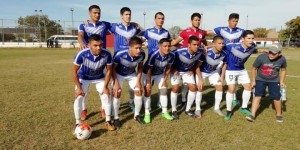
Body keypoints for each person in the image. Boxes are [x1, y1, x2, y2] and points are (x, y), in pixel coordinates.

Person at [72, 34, 115, 131]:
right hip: (84, 77)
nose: (99, 47)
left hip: (99, 78)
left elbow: (109, 70)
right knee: (79, 97)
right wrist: (79, 88)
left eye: (100, 45)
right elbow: (74, 71)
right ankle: (78, 123)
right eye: (95, 45)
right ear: (89, 45)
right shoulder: (82, 54)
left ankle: (108, 121)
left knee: (106, 95)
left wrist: (106, 86)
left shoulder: (107, 54)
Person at [207, 13, 244, 107]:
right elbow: (206, 33)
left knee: (233, 79)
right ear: (228, 20)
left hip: (233, 58)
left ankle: (234, 98)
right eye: (233, 21)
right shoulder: (221, 29)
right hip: (221, 57)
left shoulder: (241, 31)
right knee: (219, 77)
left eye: (236, 21)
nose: (235, 23)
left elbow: (247, 38)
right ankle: (219, 94)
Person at [171, 12, 207, 107]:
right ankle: (183, 100)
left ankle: (187, 100)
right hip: (184, 58)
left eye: (199, 20)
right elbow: (174, 42)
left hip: (194, 60)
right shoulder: (185, 31)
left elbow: (204, 43)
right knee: (184, 83)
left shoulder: (201, 33)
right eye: (196, 20)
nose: (198, 22)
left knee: (189, 83)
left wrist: (206, 47)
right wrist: (179, 46)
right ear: (191, 21)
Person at [246, 43, 287, 122]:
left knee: (276, 98)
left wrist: (282, 81)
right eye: (270, 52)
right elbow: (254, 68)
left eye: (274, 53)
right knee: (257, 96)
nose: (271, 54)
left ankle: (279, 114)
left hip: (274, 81)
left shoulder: (282, 59)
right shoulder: (261, 57)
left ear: (279, 53)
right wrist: (253, 80)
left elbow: (284, 70)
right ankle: (252, 115)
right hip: (260, 79)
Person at [112, 36, 145, 128]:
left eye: (140, 48)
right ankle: (116, 117)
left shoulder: (142, 54)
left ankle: (137, 115)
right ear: (130, 47)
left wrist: (138, 81)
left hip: (131, 74)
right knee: (117, 92)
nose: (139, 50)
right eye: (136, 48)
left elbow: (140, 67)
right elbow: (112, 69)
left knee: (138, 91)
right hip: (118, 74)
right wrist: (116, 83)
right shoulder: (119, 54)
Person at [223, 30, 256, 120]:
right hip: (230, 70)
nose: (251, 40)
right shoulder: (232, 46)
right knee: (232, 88)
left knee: (248, 87)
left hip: (242, 69)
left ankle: (244, 107)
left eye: (252, 38)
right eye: (248, 38)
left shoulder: (253, 46)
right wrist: (204, 47)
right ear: (242, 39)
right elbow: (219, 45)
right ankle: (229, 111)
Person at [170, 36, 203, 120]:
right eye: (194, 45)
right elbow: (168, 62)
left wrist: (192, 69)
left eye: (198, 45)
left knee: (193, 87)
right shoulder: (178, 52)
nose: (196, 46)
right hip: (176, 71)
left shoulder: (200, 51)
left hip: (187, 71)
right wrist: (173, 70)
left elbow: (196, 63)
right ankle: (174, 110)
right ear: (189, 45)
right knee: (175, 88)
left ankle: (188, 109)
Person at [142, 38, 174, 123]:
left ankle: (164, 112)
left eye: (169, 46)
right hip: (147, 73)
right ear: (160, 46)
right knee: (148, 91)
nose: (167, 48)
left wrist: (165, 80)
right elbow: (149, 70)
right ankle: (147, 113)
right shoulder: (154, 55)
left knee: (164, 91)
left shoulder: (171, 55)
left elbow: (168, 68)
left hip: (159, 74)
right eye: (165, 46)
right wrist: (148, 83)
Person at [195, 36, 227, 118]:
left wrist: (222, 76)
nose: (221, 45)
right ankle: (197, 109)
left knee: (220, 87)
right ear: (214, 44)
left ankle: (216, 108)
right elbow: (197, 66)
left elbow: (225, 64)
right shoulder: (206, 52)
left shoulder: (223, 54)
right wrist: (200, 79)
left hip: (213, 72)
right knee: (200, 88)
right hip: (202, 72)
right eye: (219, 43)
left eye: (222, 43)